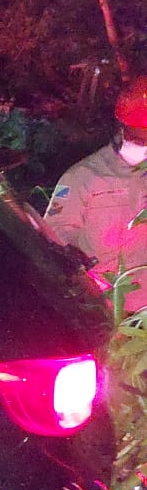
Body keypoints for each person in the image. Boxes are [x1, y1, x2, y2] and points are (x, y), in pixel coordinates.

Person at [44, 76, 147, 313]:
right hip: (103, 309)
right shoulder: (84, 176)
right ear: (123, 128)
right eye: (140, 136)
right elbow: (54, 236)